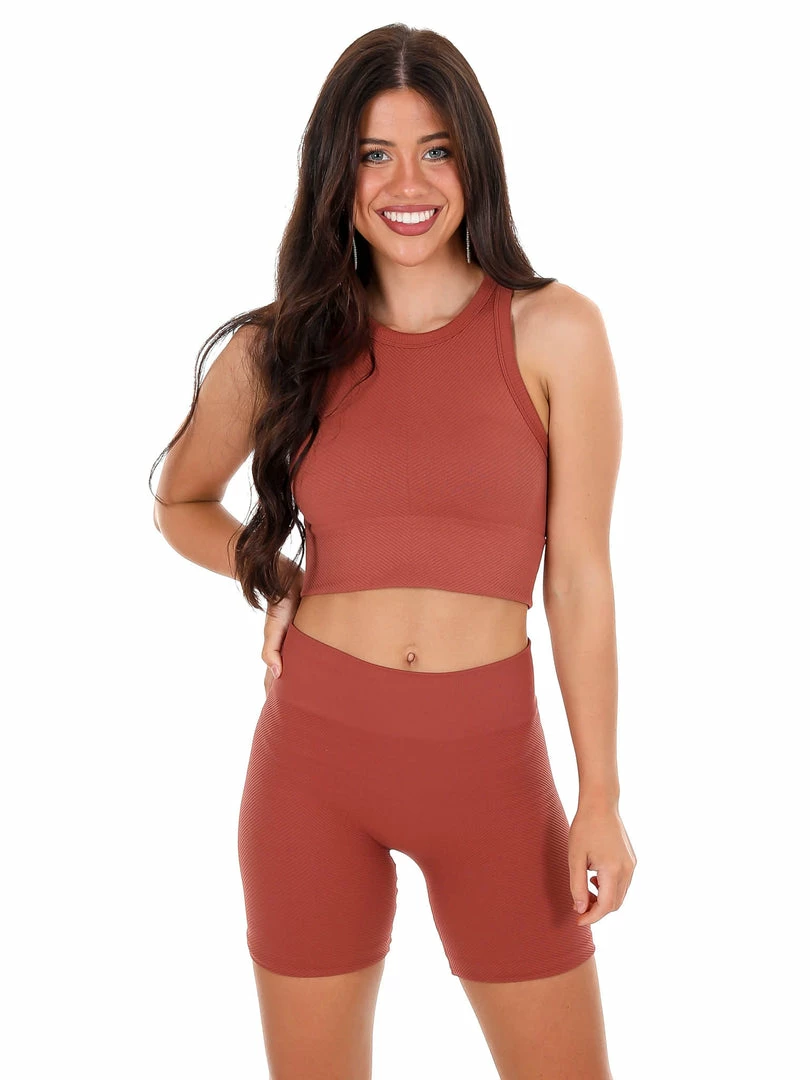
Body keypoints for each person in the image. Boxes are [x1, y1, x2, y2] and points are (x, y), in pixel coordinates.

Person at [150, 22, 635, 1080]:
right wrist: (274, 577)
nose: (406, 184)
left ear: (475, 162)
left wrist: (600, 795)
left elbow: (579, 578)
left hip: (494, 776)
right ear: (338, 172)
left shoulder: (557, 332)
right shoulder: (280, 348)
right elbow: (179, 501)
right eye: (375, 154)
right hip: (314, 767)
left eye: (436, 150)